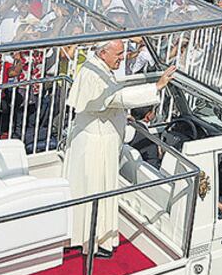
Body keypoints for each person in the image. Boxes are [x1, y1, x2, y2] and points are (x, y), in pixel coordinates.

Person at [62, 40, 175, 256]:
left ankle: (83, 235)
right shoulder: (93, 73)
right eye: (119, 53)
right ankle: (92, 241)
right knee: (96, 191)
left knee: (89, 190)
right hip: (96, 145)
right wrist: (156, 86)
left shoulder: (99, 66)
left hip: (96, 141)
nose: (122, 57)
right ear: (103, 52)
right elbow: (115, 98)